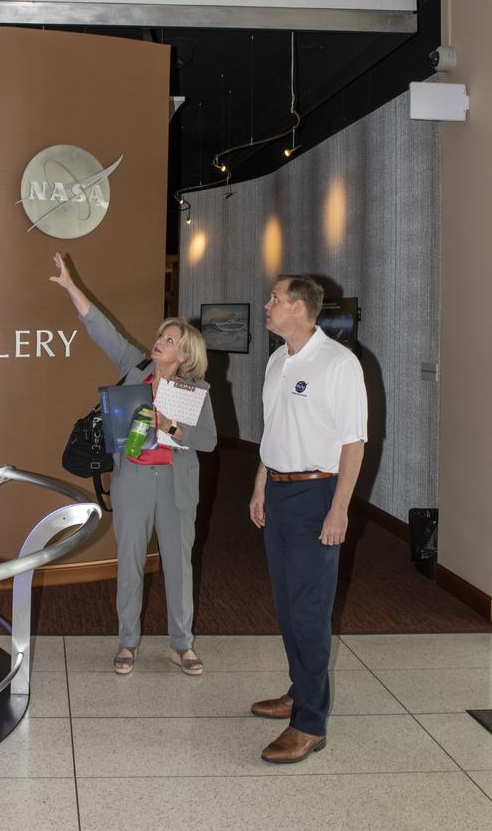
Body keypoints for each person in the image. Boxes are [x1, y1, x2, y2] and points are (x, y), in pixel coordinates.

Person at [51, 252, 217, 675]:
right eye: (161, 336)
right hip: (133, 479)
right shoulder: (135, 368)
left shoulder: (193, 390)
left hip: (176, 483)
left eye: (169, 340)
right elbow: (101, 329)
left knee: (179, 567)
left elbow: (208, 440)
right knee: (129, 563)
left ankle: (182, 644)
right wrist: (71, 286)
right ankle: (127, 642)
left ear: (184, 353)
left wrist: (171, 425)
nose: (159, 341)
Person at [249, 274, 367, 764]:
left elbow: (354, 443)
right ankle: (300, 691)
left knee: (310, 610)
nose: (268, 304)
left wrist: (339, 508)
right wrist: (261, 483)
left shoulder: (339, 363)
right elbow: (274, 429)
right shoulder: (277, 360)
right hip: (279, 491)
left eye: (275, 298)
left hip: (318, 494)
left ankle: (310, 723)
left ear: (299, 308)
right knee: (286, 603)